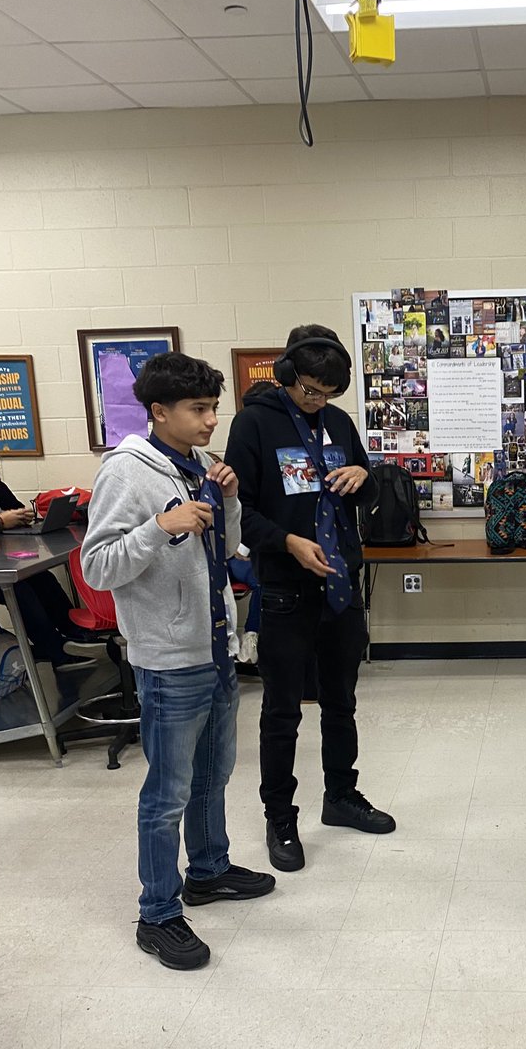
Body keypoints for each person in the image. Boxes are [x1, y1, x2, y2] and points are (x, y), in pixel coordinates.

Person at [81, 352, 275, 971]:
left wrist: (231, 500)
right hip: (168, 658)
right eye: (198, 409)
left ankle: (209, 871)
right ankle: (158, 912)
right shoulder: (126, 472)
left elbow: (228, 546)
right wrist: (159, 527)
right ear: (158, 411)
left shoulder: (200, 465)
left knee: (213, 774)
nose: (211, 419)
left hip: (215, 647)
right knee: (167, 794)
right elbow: (96, 566)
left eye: (214, 407)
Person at [225, 323, 394, 875]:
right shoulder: (254, 424)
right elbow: (240, 512)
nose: (319, 401)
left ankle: (340, 796)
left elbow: (367, 489)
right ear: (287, 375)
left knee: (341, 701)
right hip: (285, 589)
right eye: (311, 391)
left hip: (341, 584)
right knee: (282, 712)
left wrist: (362, 475)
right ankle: (280, 817)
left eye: (328, 393)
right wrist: (288, 542)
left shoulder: (338, 421)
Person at [0, 450, 102, 671]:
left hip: (0, 561)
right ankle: (57, 652)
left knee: (42, 579)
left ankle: (76, 634)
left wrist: (21, 516)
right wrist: (0, 523)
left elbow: (17, 508)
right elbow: (2, 521)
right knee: (20, 591)